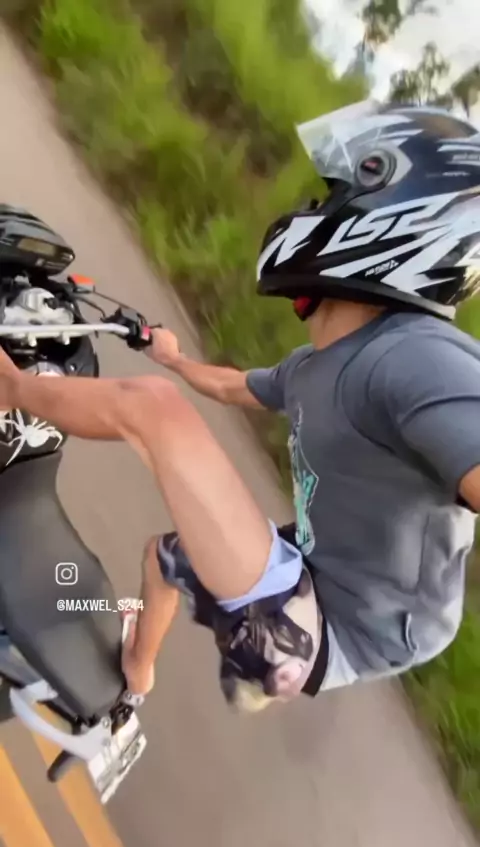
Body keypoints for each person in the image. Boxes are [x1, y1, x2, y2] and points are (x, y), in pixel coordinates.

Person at [3, 99, 480, 712]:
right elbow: (235, 388)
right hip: (317, 565)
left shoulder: (420, 358)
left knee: (152, 410)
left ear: (397, 222)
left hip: (341, 627)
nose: (312, 210)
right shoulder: (319, 364)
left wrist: (20, 386)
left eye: (332, 196)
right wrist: (173, 359)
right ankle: (136, 677)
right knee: (165, 557)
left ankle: (8, 389)